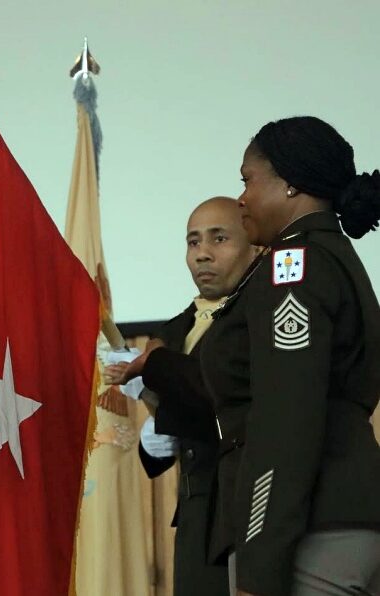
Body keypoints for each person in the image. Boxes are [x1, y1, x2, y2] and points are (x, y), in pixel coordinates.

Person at [133, 116, 380, 595]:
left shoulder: (294, 268)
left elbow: (285, 424)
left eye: (248, 180)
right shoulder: (339, 260)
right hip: (347, 517)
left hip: (311, 533)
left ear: (290, 185)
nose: (242, 198)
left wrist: (260, 562)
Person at [106, 197, 257, 596]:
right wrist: (155, 441)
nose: (203, 254)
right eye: (193, 243)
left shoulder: (259, 314)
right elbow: (174, 436)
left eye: (219, 239)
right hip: (196, 514)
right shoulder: (173, 329)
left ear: (255, 244)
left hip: (250, 513)